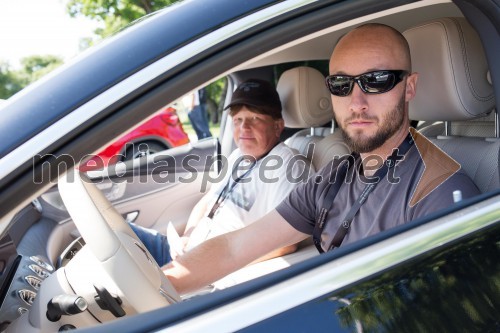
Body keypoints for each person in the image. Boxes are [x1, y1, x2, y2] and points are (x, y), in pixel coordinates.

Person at [163, 23, 480, 294]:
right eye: (341, 85)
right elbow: (235, 248)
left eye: (377, 80)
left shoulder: (439, 194)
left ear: (409, 87)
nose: (356, 102)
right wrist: (162, 286)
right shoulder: (336, 175)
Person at [130, 78, 312, 266]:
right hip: (186, 253)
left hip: (208, 271)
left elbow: (285, 243)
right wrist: (187, 238)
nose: (244, 128)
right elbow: (207, 200)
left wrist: (212, 265)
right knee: (116, 230)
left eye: (255, 118)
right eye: (237, 120)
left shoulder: (289, 166)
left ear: (277, 125)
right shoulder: (237, 156)